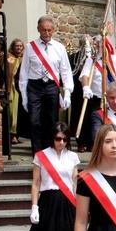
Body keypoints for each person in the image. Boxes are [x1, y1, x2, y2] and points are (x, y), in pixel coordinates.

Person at [20, 121, 80, 231]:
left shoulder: (73, 157)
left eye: (64, 139)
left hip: (67, 201)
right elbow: (36, 183)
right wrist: (34, 207)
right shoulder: (41, 156)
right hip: (48, 199)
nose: (61, 142)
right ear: (52, 138)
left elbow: (75, 181)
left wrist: (79, 205)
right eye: (58, 139)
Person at [19, 16, 74, 154]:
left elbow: (66, 71)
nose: (47, 33)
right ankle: (37, 152)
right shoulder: (30, 47)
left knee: (52, 121)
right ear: (38, 29)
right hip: (35, 86)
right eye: (44, 30)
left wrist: (67, 93)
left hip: (51, 86)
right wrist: (24, 96)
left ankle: (51, 150)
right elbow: (24, 72)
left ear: (53, 30)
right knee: (34, 121)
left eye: (49, 30)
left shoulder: (59, 48)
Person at [6, 39, 24, 145]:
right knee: (12, 111)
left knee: (18, 112)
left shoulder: (20, 59)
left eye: (21, 46)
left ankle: (16, 134)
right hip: (11, 86)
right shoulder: (10, 58)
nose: (19, 48)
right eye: (17, 46)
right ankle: (12, 135)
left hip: (19, 86)